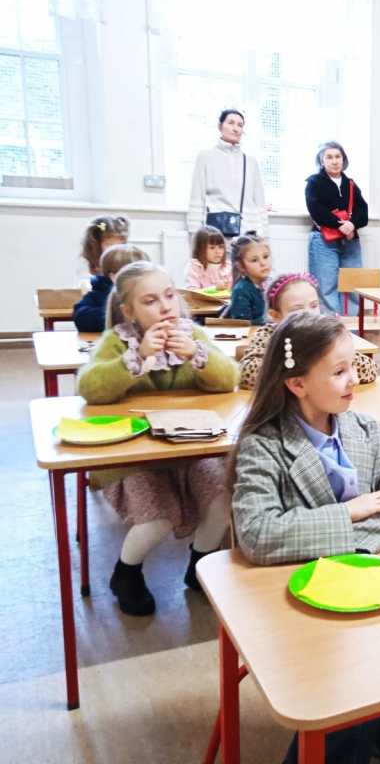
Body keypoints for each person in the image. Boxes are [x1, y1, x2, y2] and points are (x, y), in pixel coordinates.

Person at [229, 311, 380, 764]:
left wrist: (349, 544)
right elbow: (258, 534)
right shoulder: (263, 443)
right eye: (339, 371)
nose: (355, 379)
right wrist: (348, 513)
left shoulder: (365, 429)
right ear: (297, 384)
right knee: (354, 694)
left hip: (367, 586)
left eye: (354, 366)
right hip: (296, 601)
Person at [77, 261, 238, 615]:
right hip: (133, 458)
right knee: (157, 517)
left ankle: (200, 565)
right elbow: (89, 388)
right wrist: (137, 357)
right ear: (128, 311)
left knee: (221, 500)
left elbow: (230, 379)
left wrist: (196, 356)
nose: (165, 307)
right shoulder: (117, 342)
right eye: (150, 301)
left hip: (190, 450)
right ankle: (127, 573)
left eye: (169, 296)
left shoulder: (192, 335)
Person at [238, 272, 377, 390]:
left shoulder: (326, 334)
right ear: (276, 316)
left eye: (314, 306)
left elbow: (369, 369)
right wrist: (306, 364)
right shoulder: (267, 334)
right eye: (297, 309)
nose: (309, 314)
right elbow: (246, 374)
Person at [305, 140, 368, 314]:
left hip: (350, 241)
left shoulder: (351, 184)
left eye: (338, 156)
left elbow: (363, 211)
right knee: (326, 287)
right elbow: (315, 209)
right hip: (323, 241)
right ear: (322, 160)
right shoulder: (314, 182)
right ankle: (332, 327)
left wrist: (352, 224)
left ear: (343, 159)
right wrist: (339, 225)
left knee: (353, 286)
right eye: (329, 157)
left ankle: (352, 326)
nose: (334, 161)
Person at [187, 108, 267, 238]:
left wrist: (263, 233)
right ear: (220, 126)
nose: (235, 128)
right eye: (231, 123)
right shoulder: (205, 157)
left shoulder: (250, 162)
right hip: (215, 233)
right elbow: (197, 197)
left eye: (240, 125)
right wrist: (195, 235)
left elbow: (259, 202)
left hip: (247, 233)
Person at [74, 244, 149, 333]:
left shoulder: (147, 293)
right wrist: (118, 315)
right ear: (114, 277)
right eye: (136, 274)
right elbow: (81, 318)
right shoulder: (98, 294)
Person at [225, 234, 272, 325]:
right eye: (254, 260)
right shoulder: (241, 290)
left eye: (265, 257)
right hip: (250, 333)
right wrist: (267, 320)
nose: (263, 263)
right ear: (241, 266)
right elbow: (241, 325)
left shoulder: (269, 282)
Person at [78, 215, 130, 288]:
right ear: (96, 246)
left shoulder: (126, 264)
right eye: (109, 245)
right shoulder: (90, 278)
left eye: (120, 245)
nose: (115, 250)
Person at [184, 225, 232, 290]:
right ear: (200, 249)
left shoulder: (228, 266)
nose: (218, 251)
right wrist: (215, 288)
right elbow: (192, 291)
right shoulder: (195, 267)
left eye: (221, 247)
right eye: (212, 248)